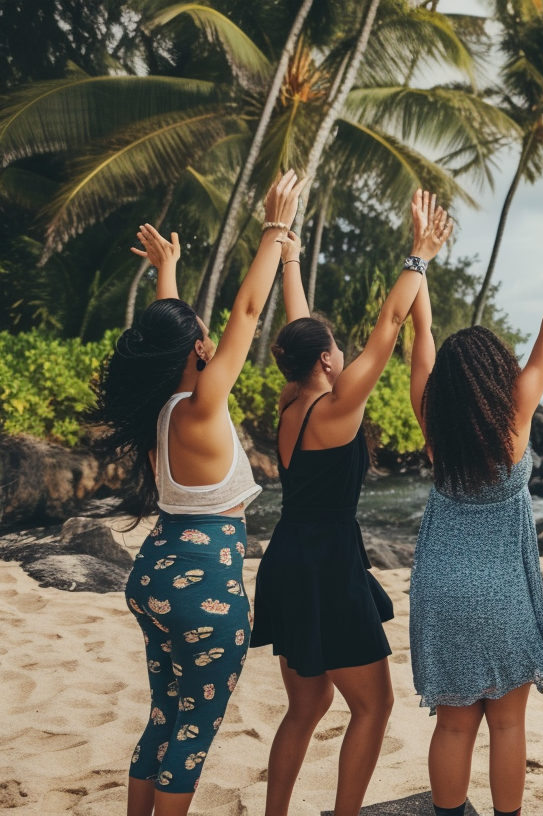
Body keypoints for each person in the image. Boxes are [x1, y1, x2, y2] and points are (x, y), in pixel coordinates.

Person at [89, 171, 303, 816]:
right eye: (201, 339)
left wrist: (168, 272)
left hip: (156, 574)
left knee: (165, 716)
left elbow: (178, 336)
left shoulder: (164, 402)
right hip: (206, 582)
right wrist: (270, 231)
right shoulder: (203, 406)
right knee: (193, 732)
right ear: (195, 352)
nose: (213, 341)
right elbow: (245, 314)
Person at [251, 190, 454, 816]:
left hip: (288, 555)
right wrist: (418, 255)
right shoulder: (337, 409)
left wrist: (289, 262)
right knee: (374, 704)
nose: (343, 354)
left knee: (306, 706)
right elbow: (387, 330)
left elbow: (301, 332)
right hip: (329, 564)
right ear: (326, 362)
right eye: (334, 349)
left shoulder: (294, 401)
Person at [408, 205, 543, 816]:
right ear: (496, 375)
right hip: (502, 590)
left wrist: (421, 259)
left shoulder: (434, 424)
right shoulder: (513, 419)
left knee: (454, 725)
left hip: (441, 586)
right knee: (508, 727)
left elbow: (421, 341)